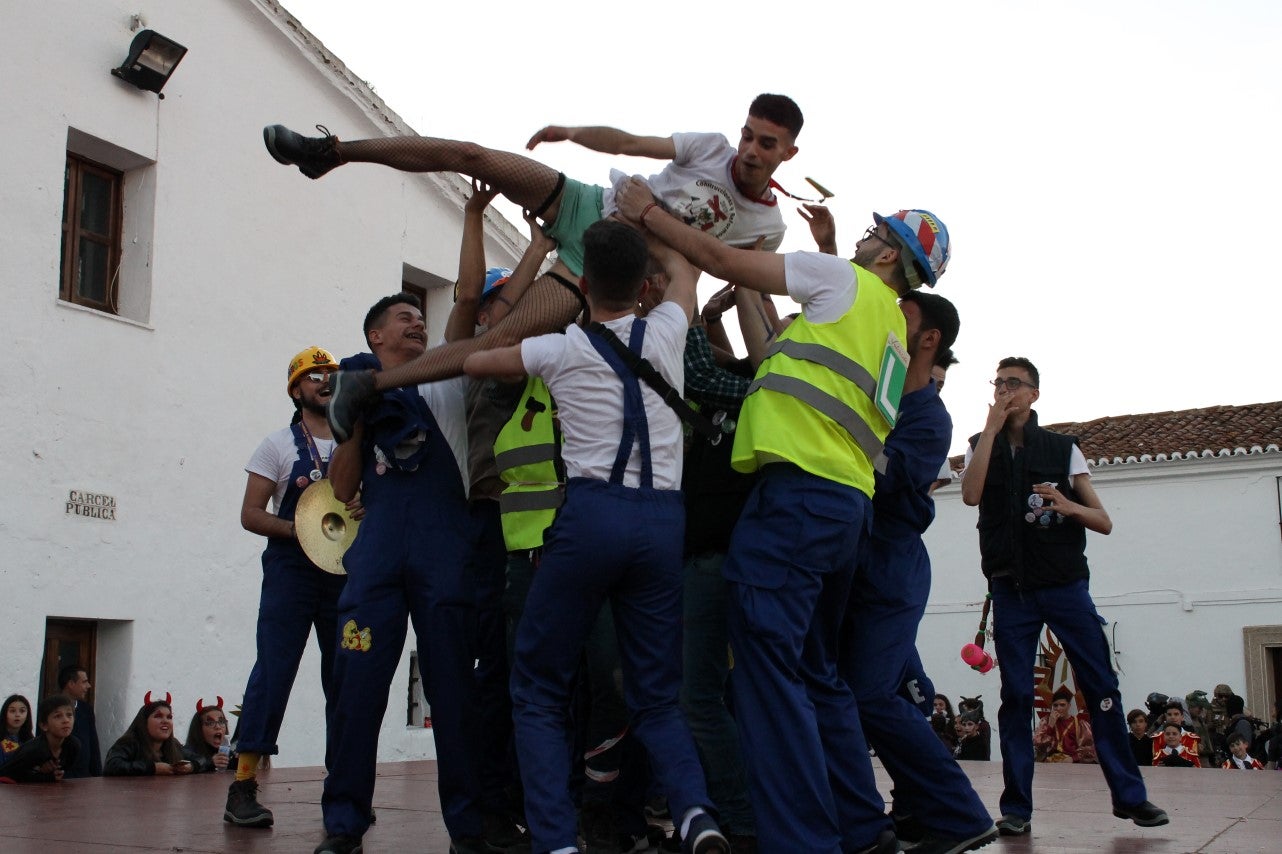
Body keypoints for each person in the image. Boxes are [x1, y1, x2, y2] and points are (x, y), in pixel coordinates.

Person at [617, 171, 951, 853]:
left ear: (888, 253)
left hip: (795, 501)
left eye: (871, 234)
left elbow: (722, 259)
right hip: (842, 513)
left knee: (769, 680)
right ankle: (861, 828)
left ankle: (801, 840)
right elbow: (776, 355)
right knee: (817, 677)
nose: (860, 240)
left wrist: (646, 210)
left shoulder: (843, 280)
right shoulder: (886, 327)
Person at [263, 95, 806, 442]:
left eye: (766, 143)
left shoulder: (768, 227)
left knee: (491, 345)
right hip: (587, 204)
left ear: (788, 153)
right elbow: (627, 144)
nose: (750, 150)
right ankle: (330, 152)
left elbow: (711, 266)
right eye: (748, 134)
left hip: (597, 265)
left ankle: (368, 386)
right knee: (473, 157)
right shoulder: (709, 148)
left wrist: (655, 232)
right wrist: (572, 132)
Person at [464, 220, 728, 854]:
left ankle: (555, 839)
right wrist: (656, 228)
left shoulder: (559, 349)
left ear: (581, 285)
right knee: (656, 695)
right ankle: (696, 815)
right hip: (663, 520)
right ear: (644, 287)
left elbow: (478, 357)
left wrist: (536, 312)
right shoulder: (668, 329)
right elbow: (687, 271)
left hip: (590, 517)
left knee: (538, 687)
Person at [960, 357, 1169, 835]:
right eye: (998, 382)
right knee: (1014, 697)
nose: (1004, 390)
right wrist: (988, 433)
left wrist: (1067, 504)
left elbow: (1104, 521)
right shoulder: (979, 446)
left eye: (1014, 383)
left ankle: (1131, 799)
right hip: (1010, 590)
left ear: (1034, 395)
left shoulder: (1063, 450)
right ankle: (1017, 808)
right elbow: (971, 496)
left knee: (1102, 689)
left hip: (1065, 587)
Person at [316, 293, 489, 854]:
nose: (417, 324)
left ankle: (466, 829)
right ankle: (343, 825)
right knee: (356, 692)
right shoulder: (355, 393)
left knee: (456, 695)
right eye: (404, 319)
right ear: (376, 339)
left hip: (444, 556)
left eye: (421, 317)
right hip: (377, 567)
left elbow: (464, 297)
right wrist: (360, 418)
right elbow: (342, 490)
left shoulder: (442, 386)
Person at [838, 289, 996, 854]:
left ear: (928, 339)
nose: (888, 318)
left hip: (889, 569)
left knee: (867, 697)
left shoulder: (930, 417)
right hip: (859, 565)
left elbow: (888, 477)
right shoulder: (878, 392)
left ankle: (960, 816)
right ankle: (914, 810)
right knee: (900, 695)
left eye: (901, 315)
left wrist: (839, 427)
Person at [225, 345, 352, 828]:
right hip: (291, 572)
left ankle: (344, 785)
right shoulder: (276, 444)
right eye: (315, 375)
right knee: (274, 671)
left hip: (343, 573)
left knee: (344, 678)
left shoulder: (355, 442)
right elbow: (251, 514)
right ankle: (242, 785)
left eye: (332, 375)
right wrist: (304, 530)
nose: (325, 381)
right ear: (296, 390)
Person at [104, 695, 196, 776]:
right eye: (158, 716)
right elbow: (112, 766)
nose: (165, 721)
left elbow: (201, 759)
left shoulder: (174, 744)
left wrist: (191, 766)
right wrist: (153, 768)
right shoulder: (129, 742)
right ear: (144, 722)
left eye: (169, 717)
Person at [0, 694, 79, 783]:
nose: (66, 720)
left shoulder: (73, 745)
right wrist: (41, 773)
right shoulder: (33, 750)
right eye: (58, 716)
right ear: (44, 725)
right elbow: (8, 774)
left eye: (69, 715)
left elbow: (64, 771)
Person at [1033, 686, 1097, 763]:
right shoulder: (1046, 721)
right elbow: (1037, 743)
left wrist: (1073, 758)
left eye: (1062, 705)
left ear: (1069, 706)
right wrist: (1050, 726)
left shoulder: (1080, 724)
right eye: (1055, 705)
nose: (1058, 708)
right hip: (1050, 763)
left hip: (1072, 764)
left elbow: (1091, 748)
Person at [58, 665, 101, 777]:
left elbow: (93, 744)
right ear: (71, 684)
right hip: (60, 777)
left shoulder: (86, 709)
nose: (88, 686)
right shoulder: (51, 708)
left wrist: (97, 776)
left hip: (84, 778)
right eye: (84, 682)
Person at [185, 698, 234, 773]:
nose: (218, 727)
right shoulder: (188, 752)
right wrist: (211, 763)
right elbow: (195, 764)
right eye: (211, 723)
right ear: (199, 729)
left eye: (221, 722)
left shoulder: (228, 754)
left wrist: (238, 760)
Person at [1, 694, 34, 762]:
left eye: (22, 711)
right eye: (12, 711)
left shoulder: (30, 741)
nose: (17, 715)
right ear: (5, 713)